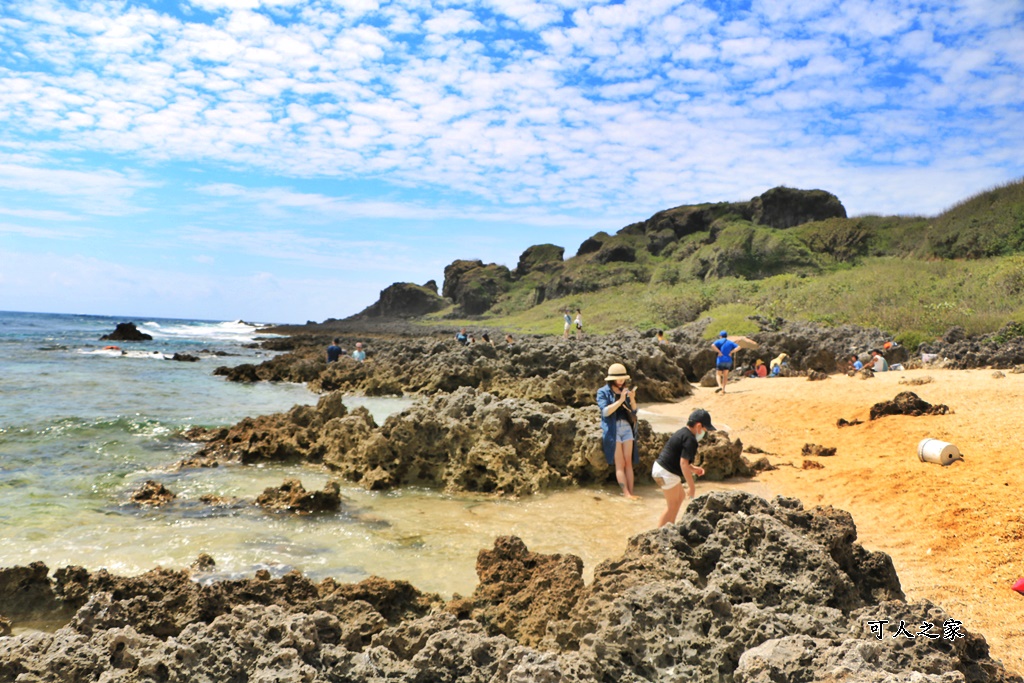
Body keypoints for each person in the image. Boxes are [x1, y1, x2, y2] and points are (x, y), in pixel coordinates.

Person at [652, 409, 713, 527]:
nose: (705, 433)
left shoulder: (682, 432)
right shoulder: (691, 440)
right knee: (672, 505)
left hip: (660, 470)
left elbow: (681, 460)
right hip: (666, 473)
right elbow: (683, 464)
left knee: (680, 497)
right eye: (705, 429)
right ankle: (658, 535)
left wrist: (694, 469)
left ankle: (670, 528)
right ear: (699, 426)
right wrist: (692, 487)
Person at [596, 363, 640, 500]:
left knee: (628, 462)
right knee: (619, 463)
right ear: (611, 379)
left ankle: (631, 493)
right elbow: (605, 412)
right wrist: (620, 400)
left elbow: (634, 411)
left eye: (623, 378)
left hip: (627, 428)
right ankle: (626, 493)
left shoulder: (625, 390)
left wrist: (631, 398)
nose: (621, 381)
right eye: (618, 378)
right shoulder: (603, 392)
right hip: (613, 429)